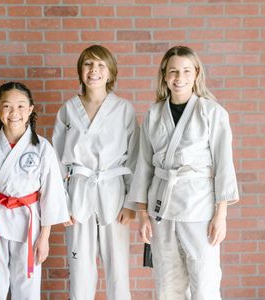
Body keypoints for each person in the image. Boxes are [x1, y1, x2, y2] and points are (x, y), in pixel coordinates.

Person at [128, 45, 239, 300]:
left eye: (186, 71)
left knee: (204, 283)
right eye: (173, 71)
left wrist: (221, 216)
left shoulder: (212, 112)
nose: (180, 77)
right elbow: (144, 166)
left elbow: (224, 165)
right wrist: (143, 215)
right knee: (167, 284)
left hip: (199, 208)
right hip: (161, 209)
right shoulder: (153, 114)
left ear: (196, 73)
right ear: (165, 76)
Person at [0, 82, 70, 300]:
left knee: (27, 284)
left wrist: (45, 237)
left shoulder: (42, 148)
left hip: (28, 223)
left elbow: (51, 194)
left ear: (30, 109)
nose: (14, 113)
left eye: (21, 106)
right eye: (7, 106)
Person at [52, 45, 137, 300]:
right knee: (80, 271)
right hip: (78, 191)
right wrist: (62, 203)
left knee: (118, 271)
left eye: (101, 65)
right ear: (81, 71)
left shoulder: (124, 109)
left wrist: (131, 203)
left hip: (114, 193)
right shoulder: (68, 110)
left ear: (110, 72)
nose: (94, 70)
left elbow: (134, 157)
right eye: (88, 64)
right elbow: (56, 161)